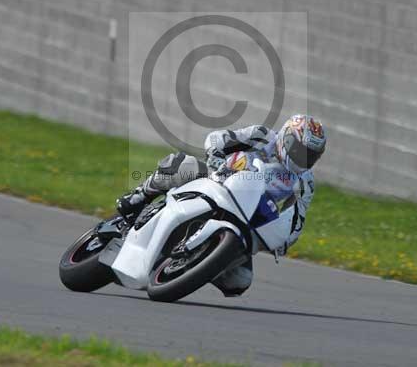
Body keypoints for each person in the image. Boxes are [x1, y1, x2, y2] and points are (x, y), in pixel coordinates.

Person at [116, 115, 327, 297]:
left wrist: (283, 241)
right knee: (185, 165)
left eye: (311, 155)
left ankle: (200, 264)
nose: (304, 159)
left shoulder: (305, 182)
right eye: (300, 150)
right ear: (286, 139)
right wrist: (215, 158)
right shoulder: (262, 136)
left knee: (240, 281)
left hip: (248, 215)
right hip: (218, 180)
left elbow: (296, 220)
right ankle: (140, 195)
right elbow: (217, 139)